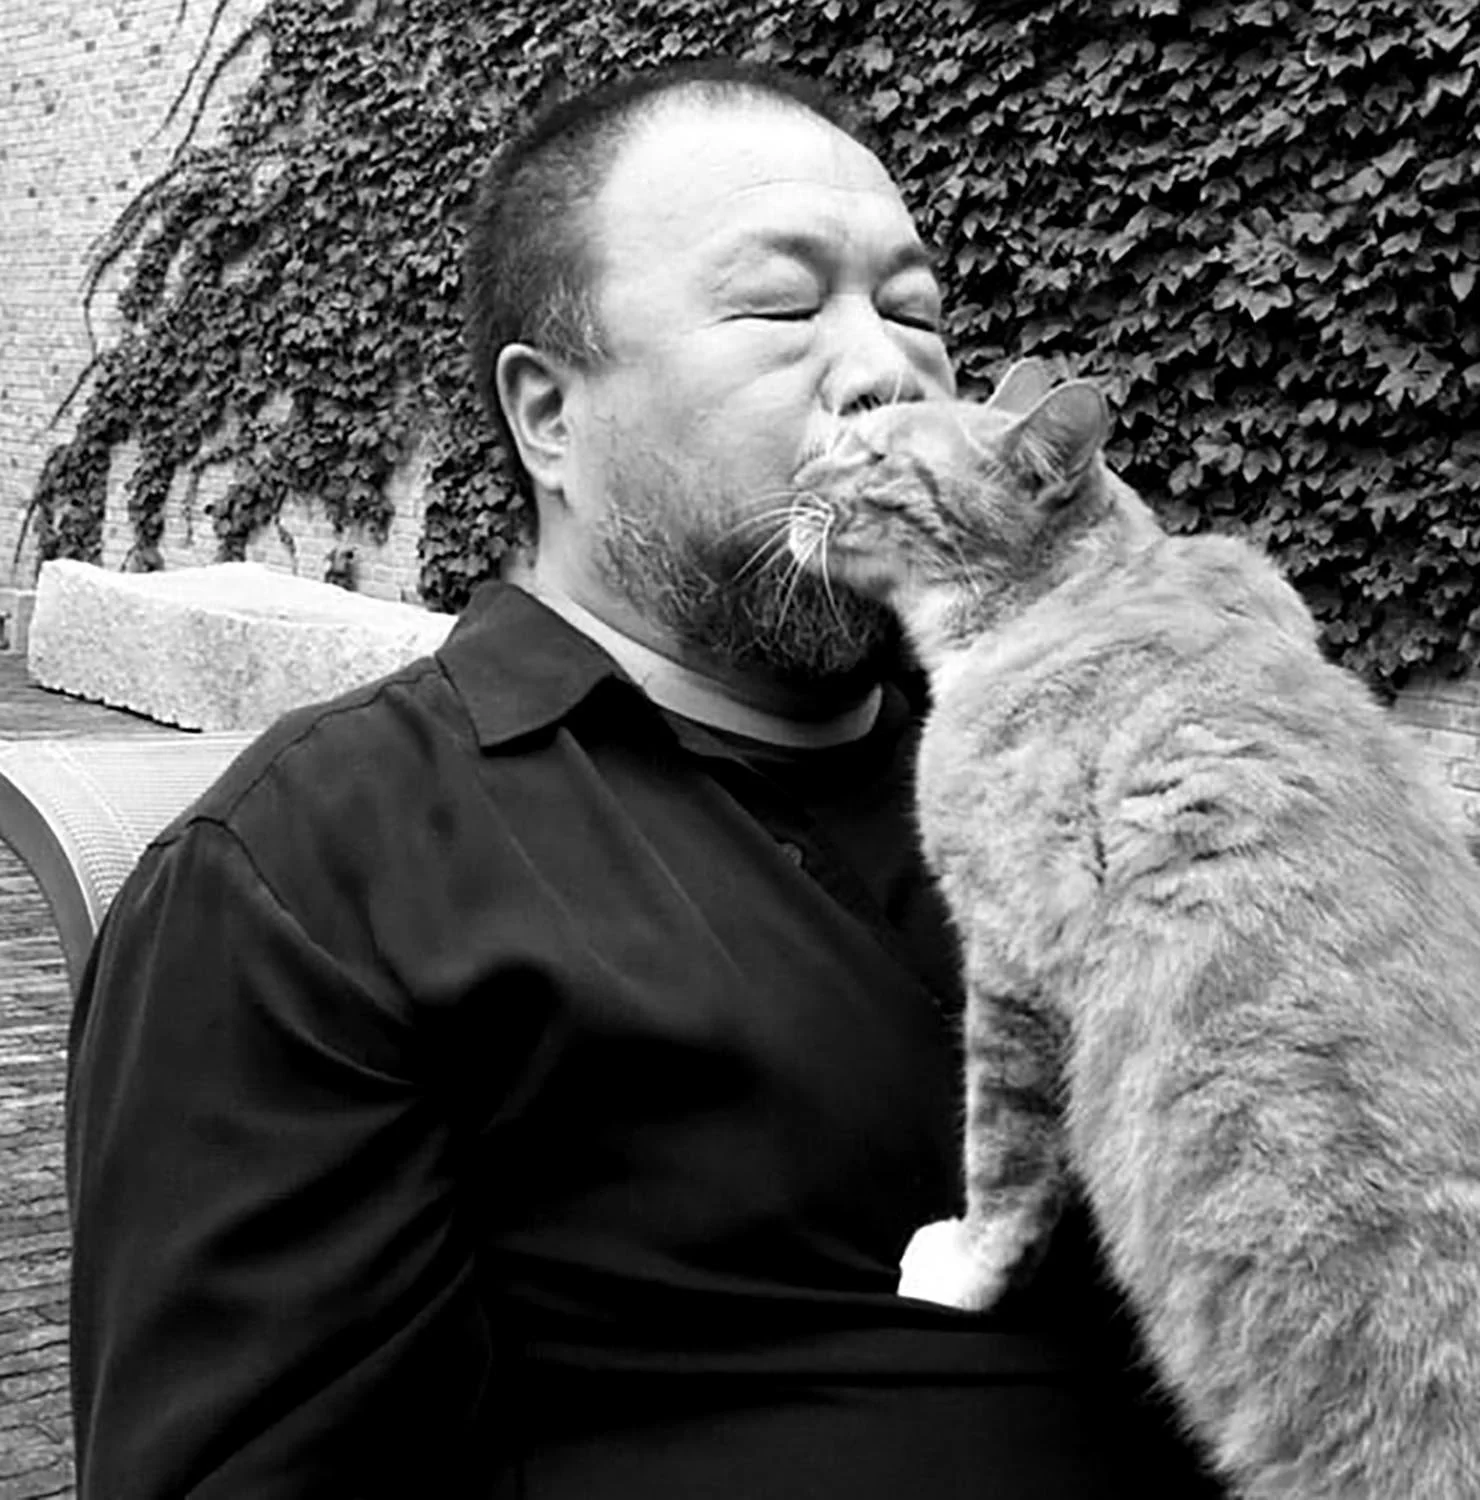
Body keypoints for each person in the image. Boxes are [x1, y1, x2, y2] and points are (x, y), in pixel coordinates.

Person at [66, 60, 1228, 1498]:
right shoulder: (314, 875)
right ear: (552, 418)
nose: (890, 368)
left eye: (916, 312)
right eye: (784, 308)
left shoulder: (1118, 761)